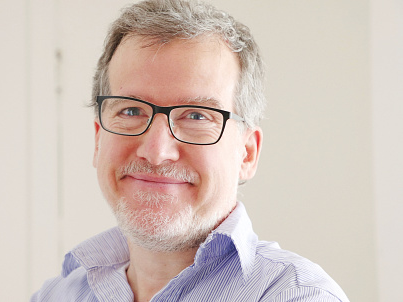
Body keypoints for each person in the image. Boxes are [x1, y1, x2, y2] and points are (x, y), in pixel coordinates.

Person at [32, 0, 349, 301]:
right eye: (130, 111)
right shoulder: (56, 296)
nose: (156, 152)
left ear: (247, 154)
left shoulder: (296, 295)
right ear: (99, 140)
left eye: (197, 116)